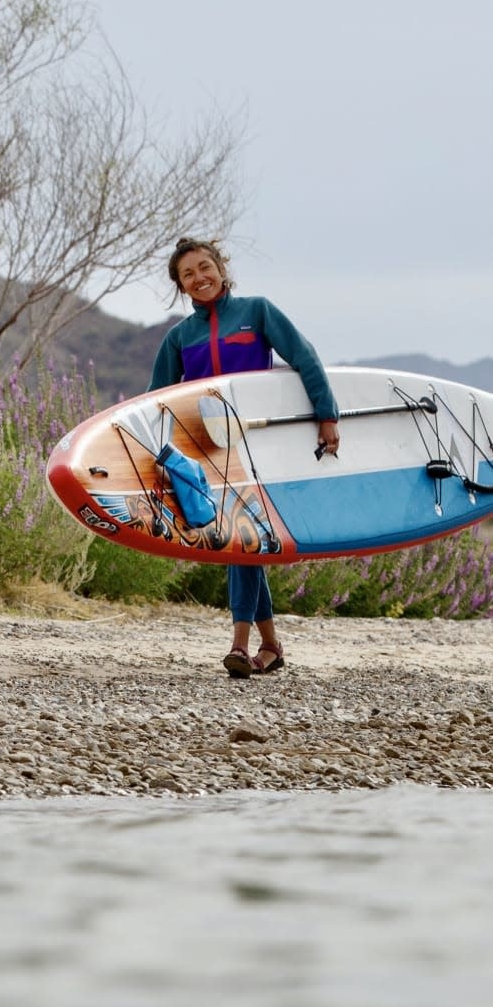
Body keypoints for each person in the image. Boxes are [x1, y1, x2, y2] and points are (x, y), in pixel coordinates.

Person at [149, 237, 340, 678]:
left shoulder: (257, 312)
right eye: (188, 274)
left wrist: (326, 415)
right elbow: (155, 400)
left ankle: (239, 642)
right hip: (210, 454)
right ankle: (270, 644)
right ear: (181, 286)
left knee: (243, 538)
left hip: (260, 446)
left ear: (221, 267)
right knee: (243, 540)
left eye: (204, 267)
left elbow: (305, 358)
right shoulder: (179, 337)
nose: (199, 278)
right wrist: (159, 455)